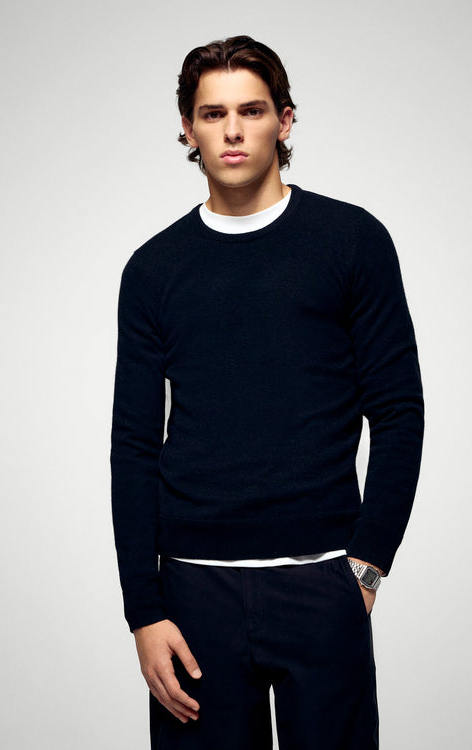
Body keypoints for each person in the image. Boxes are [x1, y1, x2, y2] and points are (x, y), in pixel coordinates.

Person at [110, 35, 425, 750]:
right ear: (187, 129)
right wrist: (143, 610)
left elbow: (399, 412)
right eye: (212, 113)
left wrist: (367, 568)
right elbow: (134, 445)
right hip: (193, 595)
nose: (232, 130)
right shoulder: (154, 270)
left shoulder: (351, 241)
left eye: (250, 111)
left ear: (284, 121)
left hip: (322, 585)